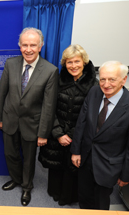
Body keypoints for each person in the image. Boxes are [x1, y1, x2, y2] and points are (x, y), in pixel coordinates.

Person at [70, 61, 129, 210]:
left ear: (123, 79)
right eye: (103, 79)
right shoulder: (94, 92)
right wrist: (76, 151)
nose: (106, 84)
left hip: (109, 167)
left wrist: (127, 175)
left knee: (100, 203)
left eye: (112, 79)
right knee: (84, 198)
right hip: (85, 160)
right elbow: (81, 123)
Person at [0, 27, 58, 206]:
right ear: (19, 46)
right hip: (9, 120)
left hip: (33, 124)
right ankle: (16, 179)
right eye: (24, 45)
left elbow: (49, 105)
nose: (28, 49)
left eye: (32, 45)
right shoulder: (10, 63)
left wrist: (44, 133)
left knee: (29, 160)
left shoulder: (50, 70)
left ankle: (26, 187)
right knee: (10, 154)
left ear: (41, 46)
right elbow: (2, 92)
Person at [38, 44, 98, 206]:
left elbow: (92, 115)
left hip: (78, 135)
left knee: (74, 168)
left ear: (84, 62)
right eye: (69, 62)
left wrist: (71, 135)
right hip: (56, 133)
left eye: (77, 62)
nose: (73, 66)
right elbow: (48, 107)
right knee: (56, 166)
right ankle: (55, 193)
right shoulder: (56, 79)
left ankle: (69, 197)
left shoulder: (94, 84)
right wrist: (58, 133)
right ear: (64, 63)